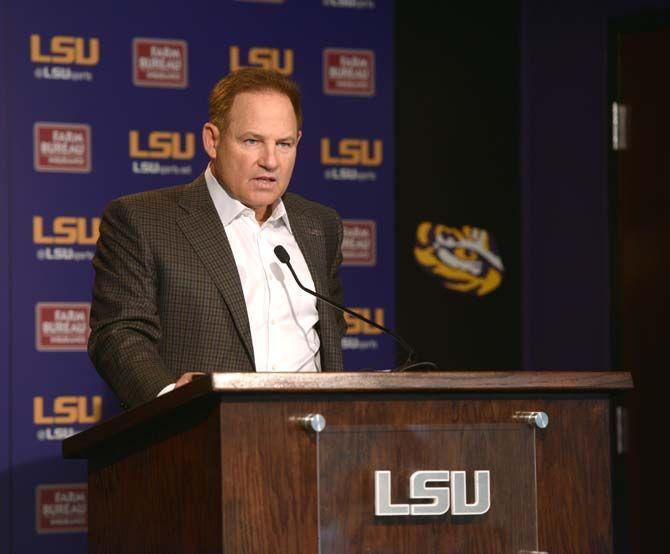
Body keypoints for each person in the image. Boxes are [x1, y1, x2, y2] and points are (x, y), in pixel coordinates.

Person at [88, 68, 346, 409]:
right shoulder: (143, 220)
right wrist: (172, 403)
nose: (270, 161)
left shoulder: (320, 225)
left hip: (312, 436)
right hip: (201, 436)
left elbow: (329, 334)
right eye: (252, 141)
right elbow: (118, 334)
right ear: (213, 140)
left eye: (283, 144)